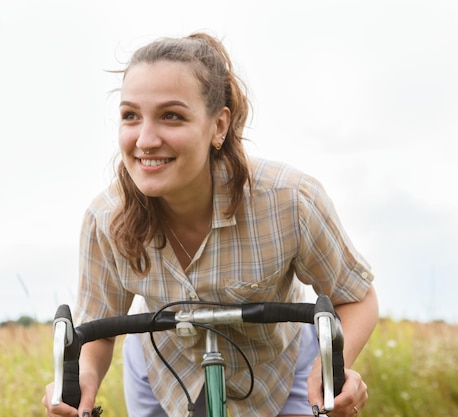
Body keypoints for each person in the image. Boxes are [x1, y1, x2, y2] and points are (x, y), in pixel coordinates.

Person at [43, 32, 378, 417]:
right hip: (163, 378)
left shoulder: (291, 200)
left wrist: (331, 372)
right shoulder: (106, 220)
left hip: (281, 375)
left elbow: (355, 297)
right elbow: (95, 330)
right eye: (130, 115)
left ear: (218, 126)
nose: (146, 139)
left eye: (172, 116)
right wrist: (83, 377)